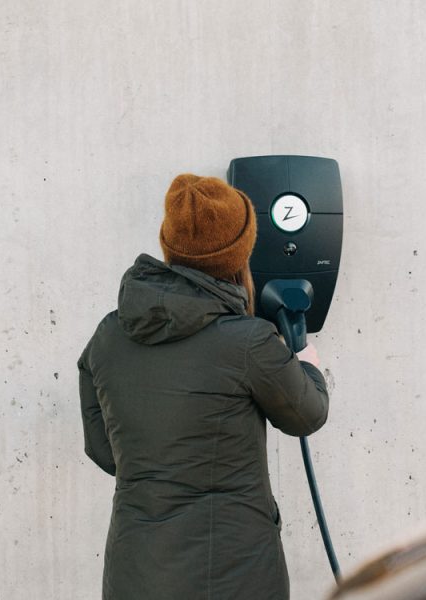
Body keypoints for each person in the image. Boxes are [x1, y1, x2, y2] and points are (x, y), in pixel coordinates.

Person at [77, 173, 329, 600]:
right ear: (240, 252)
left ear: (168, 247)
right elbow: (308, 414)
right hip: (236, 573)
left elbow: (105, 451)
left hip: (136, 573)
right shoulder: (248, 342)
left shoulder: (108, 336)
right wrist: (306, 364)